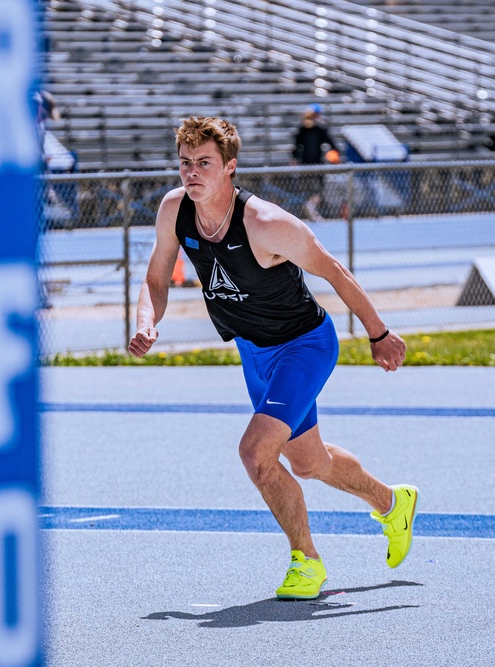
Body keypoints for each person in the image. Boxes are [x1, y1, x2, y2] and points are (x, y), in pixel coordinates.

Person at [128, 116, 418, 601]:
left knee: (255, 452)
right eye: (185, 163)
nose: (192, 173)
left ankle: (307, 561)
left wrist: (379, 333)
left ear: (230, 168)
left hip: (304, 345)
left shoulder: (265, 223)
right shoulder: (174, 210)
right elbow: (156, 279)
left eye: (204, 163)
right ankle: (393, 503)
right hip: (254, 351)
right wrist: (145, 321)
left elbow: (336, 272)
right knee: (307, 462)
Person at [291, 103, 339, 221]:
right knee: (317, 190)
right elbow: (331, 143)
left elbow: (296, 147)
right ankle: (311, 208)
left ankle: (311, 209)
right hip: (316, 163)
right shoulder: (319, 129)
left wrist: (295, 159)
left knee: (310, 189)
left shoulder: (303, 128)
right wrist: (336, 153)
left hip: (305, 163)